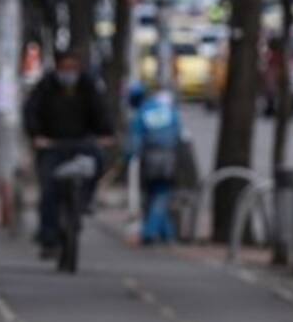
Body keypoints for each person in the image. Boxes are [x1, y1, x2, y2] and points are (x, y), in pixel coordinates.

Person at [23, 48, 114, 255]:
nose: (69, 73)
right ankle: (48, 238)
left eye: (73, 68)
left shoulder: (88, 85)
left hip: (81, 143)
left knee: (97, 161)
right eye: (65, 68)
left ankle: (85, 200)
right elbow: (31, 111)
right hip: (52, 144)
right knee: (48, 189)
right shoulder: (45, 86)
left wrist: (106, 134)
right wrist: (37, 136)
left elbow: (101, 111)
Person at [124, 84, 185, 245]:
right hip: (170, 157)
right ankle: (167, 233)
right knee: (161, 193)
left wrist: (128, 158)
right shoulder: (167, 110)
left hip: (150, 158)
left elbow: (135, 141)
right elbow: (179, 133)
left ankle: (150, 232)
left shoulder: (141, 114)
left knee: (156, 195)